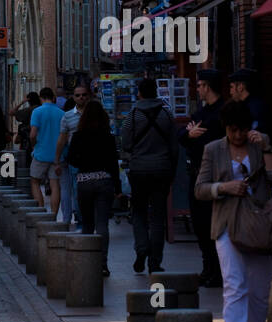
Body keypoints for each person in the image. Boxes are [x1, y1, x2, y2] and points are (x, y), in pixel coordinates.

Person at [195, 101, 272, 322]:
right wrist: (224, 188)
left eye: (242, 130)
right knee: (235, 284)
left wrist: (266, 148)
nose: (237, 136)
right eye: (233, 130)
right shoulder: (213, 149)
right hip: (226, 223)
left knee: (259, 289)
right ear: (226, 128)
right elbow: (200, 189)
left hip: (259, 224)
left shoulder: (258, 145)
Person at [121, 78, 179, 274]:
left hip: (139, 170)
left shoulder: (133, 114)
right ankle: (155, 261)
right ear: (156, 92)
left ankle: (142, 248)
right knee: (157, 216)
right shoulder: (166, 114)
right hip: (162, 168)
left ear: (139, 93)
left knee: (138, 212)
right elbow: (174, 145)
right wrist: (171, 168)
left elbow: (126, 143)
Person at [178, 70, 224, 287]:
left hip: (213, 175)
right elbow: (184, 138)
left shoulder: (220, 113)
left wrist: (192, 136)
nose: (197, 89)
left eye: (199, 86)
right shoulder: (201, 113)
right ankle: (208, 267)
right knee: (200, 224)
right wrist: (188, 135)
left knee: (210, 224)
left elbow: (205, 141)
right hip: (197, 174)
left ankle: (216, 269)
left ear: (207, 87)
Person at [68, 100, 121, 277]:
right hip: (104, 180)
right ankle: (103, 263)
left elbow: (71, 159)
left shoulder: (78, 136)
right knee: (102, 224)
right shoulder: (108, 136)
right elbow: (114, 163)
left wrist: (82, 161)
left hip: (84, 181)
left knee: (87, 223)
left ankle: (87, 261)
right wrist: (118, 187)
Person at [53, 82, 92, 225]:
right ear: (73, 98)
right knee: (77, 189)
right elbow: (61, 139)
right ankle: (80, 219)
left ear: (89, 96)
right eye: (78, 95)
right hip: (75, 157)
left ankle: (86, 218)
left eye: (84, 95)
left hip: (94, 156)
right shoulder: (67, 116)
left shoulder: (96, 114)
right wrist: (56, 159)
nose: (81, 97)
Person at [29, 88, 64, 213]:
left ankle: (40, 212)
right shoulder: (61, 113)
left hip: (41, 153)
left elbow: (33, 134)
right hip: (57, 155)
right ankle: (53, 215)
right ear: (53, 97)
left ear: (41, 98)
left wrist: (34, 146)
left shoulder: (37, 111)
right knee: (55, 185)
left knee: (35, 181)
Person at [228, 69, 272, 141]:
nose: (230, 92)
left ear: (240, 87)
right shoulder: (243, 105)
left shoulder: (256, 107)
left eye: (231, 87)